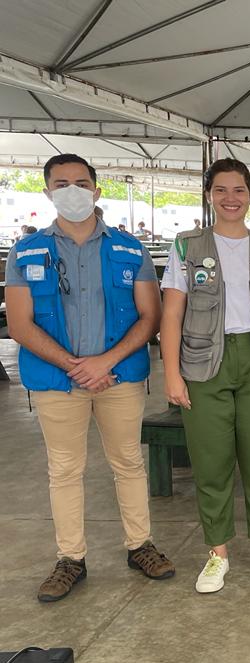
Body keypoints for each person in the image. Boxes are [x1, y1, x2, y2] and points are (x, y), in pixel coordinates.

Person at [7, 153, 174, 602]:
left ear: (98, 191)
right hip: (57, 381)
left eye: (81, 183)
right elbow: (21, 325)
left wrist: (104, 363)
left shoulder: (129, 248)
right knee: (64, 469)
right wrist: (74, 365)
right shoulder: (25, 253)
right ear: (47, 193)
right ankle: (70, 558)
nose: (72, 191)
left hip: (118, 377)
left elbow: (150, 316)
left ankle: (140, 545)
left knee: (128, 463)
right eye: (61, 184)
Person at [160, 158, 250, 593]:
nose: (230, 199)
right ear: (208, 195)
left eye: (239, 190)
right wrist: (172, 374)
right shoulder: (186, 247)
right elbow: (172, 315)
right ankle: (216, 553)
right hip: (204, 363)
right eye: (221, 190)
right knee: (211, 462)